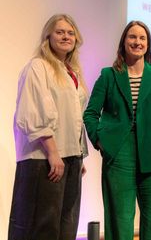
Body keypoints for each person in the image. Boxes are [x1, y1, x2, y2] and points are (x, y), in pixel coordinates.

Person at [83, 21, 151, 240]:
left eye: (142, 38)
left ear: (148, 44)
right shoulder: (108, 75)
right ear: (124, 42)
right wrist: (99, 141)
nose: (137, 42)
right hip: (118, 153)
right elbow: (90, 113)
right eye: (132, 37)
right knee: (120, 220)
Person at [9, 14, 88, 240]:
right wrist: (54, 152)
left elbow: (75, 118)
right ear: (48, 36)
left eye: (70, 32)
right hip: (43, 158)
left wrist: (77, 154)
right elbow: (32, 112)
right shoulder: (38, 67)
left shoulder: (71, 72)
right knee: (42, 226)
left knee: (66, 225)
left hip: (70, 157)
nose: (66, 36)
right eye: (60, 32)